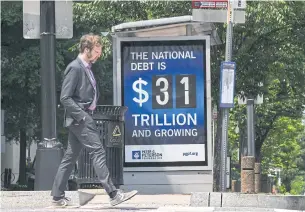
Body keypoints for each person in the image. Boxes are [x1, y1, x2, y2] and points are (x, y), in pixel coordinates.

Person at [51, 33, 137, 207]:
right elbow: (65, 98)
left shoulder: (87, 67)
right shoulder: (75, 68)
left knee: (70, 157)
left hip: (83, 117)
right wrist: (83, 116)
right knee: (98, 152)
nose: (99, 54)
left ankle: (57, 196)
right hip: (80, 118)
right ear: (86, 49)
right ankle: (113, 194)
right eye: (96, 51)